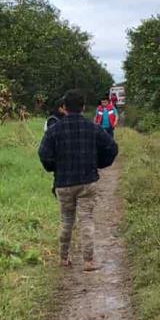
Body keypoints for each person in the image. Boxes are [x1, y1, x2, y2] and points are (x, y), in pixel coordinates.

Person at [38, 89, 118, 271]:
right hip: (87, 181)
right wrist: (99, 163)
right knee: (86, 220)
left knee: (66, 220)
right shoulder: (93, 128)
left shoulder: (54, 130)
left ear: (64, 108)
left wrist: (54, 167)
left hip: (63, 183)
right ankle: (88, 261)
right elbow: (112, 148)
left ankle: (63, 258)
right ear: (83, 107)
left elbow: (43, 154)